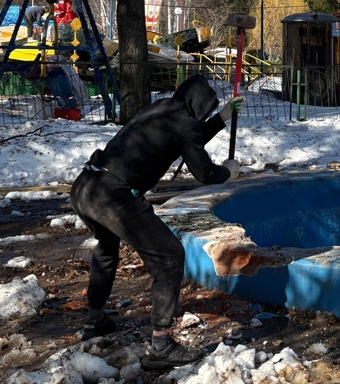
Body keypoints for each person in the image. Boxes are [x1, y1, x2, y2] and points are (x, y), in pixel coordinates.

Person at [69, 75, 243, 366]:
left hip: (86, 185)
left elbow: (187, 139)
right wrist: (227, 172)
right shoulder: (184, 122)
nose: (207, 115)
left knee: (106, 249)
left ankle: (95, 318)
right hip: (114, 195)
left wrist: (223, 117)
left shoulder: (162, 108)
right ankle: (161, 344)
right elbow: (202, 171)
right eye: (208, 110)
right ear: (199, 106)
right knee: (171, 256)